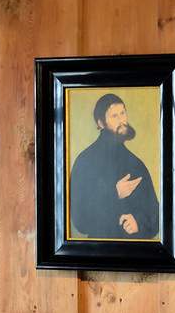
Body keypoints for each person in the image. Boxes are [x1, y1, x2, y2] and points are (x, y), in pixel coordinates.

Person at [69, 92, 161, 240]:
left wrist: (139, 223)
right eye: (114, 116)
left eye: (123, 113)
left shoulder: (136, 164)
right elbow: (80, 221)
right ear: (101, 123)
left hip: (135, 249)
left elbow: (156, 216)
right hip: (99, 249)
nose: (121, 120)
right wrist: (114, 193)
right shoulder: (85, 161)